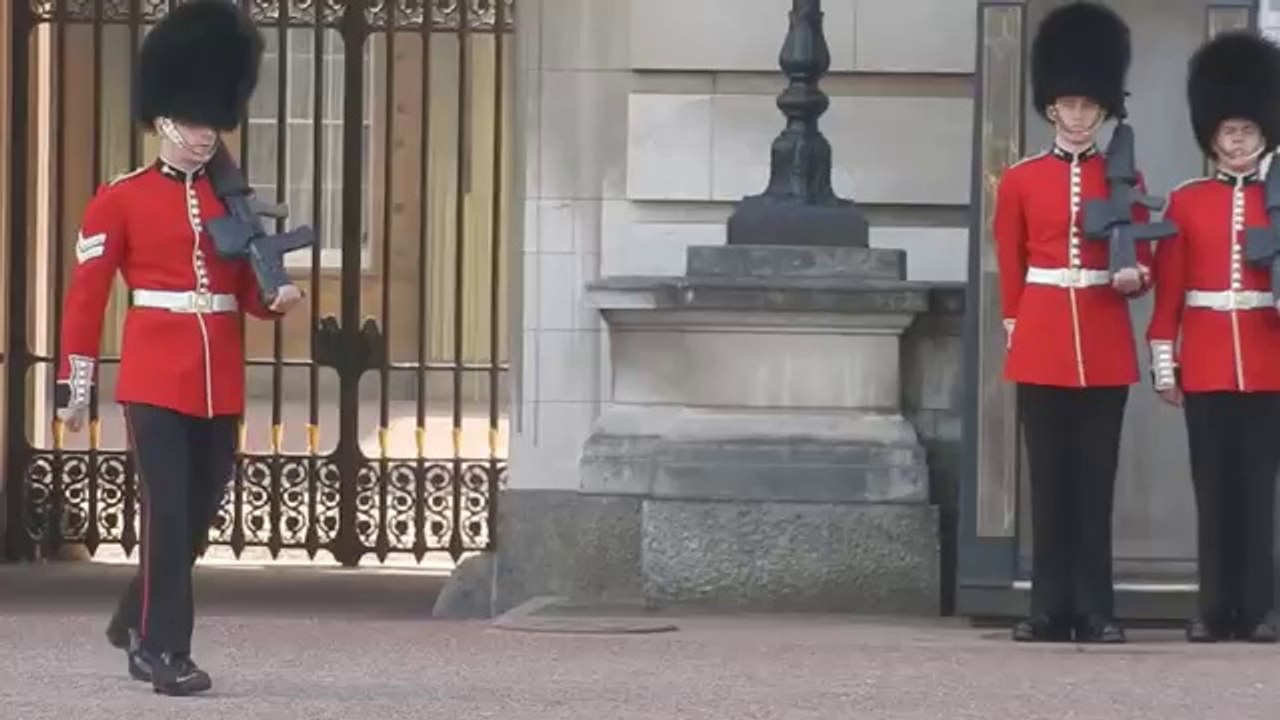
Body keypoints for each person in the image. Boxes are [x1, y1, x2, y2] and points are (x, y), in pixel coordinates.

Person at [54, 0, 303, 695]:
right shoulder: (121, 199)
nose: (204, 136)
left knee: (196, 519)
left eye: (214, 124)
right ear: (163, 118)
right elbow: (86, 298)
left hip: (218, 376)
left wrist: (275, 298)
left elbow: (244, 291)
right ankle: (164, 651)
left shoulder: (233, 203)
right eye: (194, 123)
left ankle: (133, 616)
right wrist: (74, 391)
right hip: (154, 377)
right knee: (165, 513)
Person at [995, 2, 1158, 644]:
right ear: (1050, 108)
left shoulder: (1125, 176)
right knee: (1050, 483)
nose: (1080, 115)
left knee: (1096, 484)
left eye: (1090, 106)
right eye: (1069, 105)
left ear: (1102, 108)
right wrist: (1015, 324)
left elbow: (1143, 252)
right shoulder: (1021, 180)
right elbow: (1010, 262)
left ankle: (1095, 607)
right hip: (1041, 339)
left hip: (1102, 335)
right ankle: (1047, 606)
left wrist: (1135, 275)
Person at [1146, 30, 1280, 644]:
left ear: (1264, 134)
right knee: (1213, 491)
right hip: (1204, 362)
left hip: (1267, 359)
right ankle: (1214, 606)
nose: (1237, 141)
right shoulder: (1186, 200)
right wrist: (1166, 366)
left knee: (1260, 494)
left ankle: (1258, 608)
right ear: (1211, 136)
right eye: (1228, 132)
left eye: (1248, 132)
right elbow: (1169, 293)